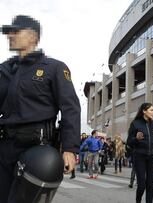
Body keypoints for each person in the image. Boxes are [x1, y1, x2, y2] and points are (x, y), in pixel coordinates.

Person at [0, 15, 80, 202]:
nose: (10, 35)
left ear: (32, 37)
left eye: (15, 31)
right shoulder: (4, 70)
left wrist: (70, 149)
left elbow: (70, 108)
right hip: (4, 147)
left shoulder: (53, 68)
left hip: (35, 150)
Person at [126, 103, 153, 203]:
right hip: (139, 156)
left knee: (150, 185)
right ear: (144, 111)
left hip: (152, 157)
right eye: (151, 110)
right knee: (141, 185)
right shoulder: (135, 123)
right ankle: (138, 201)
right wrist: (136, 139)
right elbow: (129, 142)